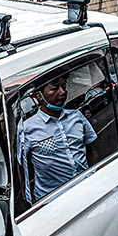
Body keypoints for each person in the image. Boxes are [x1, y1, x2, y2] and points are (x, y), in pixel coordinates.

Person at [17, 74, 98, 203]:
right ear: (39, 96)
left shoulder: (77, 117)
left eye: (64, 87)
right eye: (55, 88)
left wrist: (95, 177)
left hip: (85, 188)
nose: (62, 92)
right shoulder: (26, 128)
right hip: (52, 200)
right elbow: (21, 168)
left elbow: (91, 152)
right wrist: (28, 200)